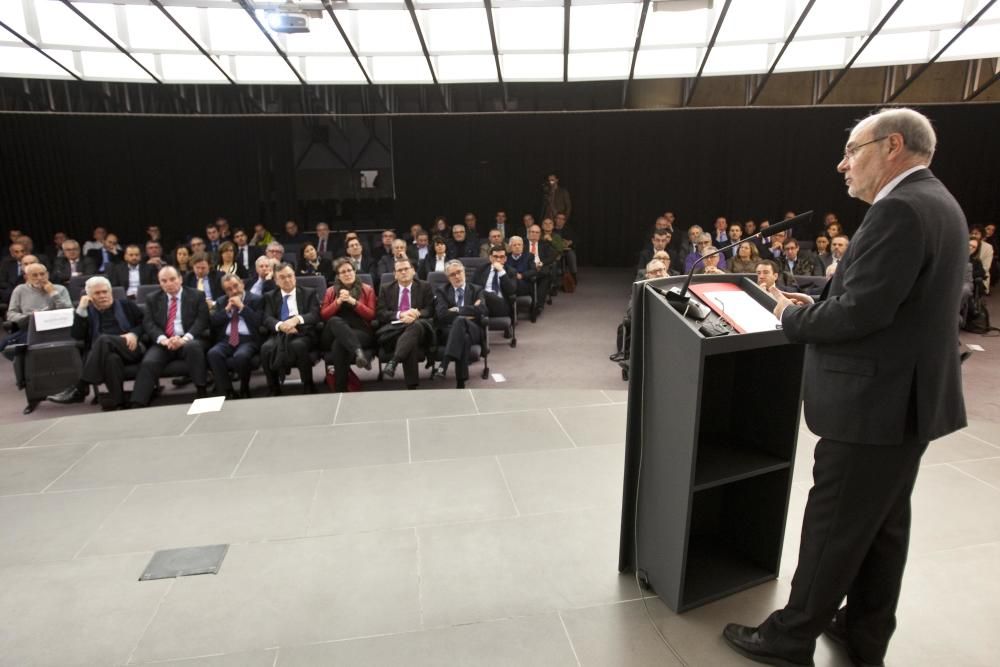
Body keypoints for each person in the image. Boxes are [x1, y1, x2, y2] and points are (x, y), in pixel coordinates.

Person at [723, 108, 968, 667]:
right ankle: (864, 631)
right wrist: (826, 305)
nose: (842, 164)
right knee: (882, 524)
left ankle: (790, 638)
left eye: (852, 150)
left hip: (874, 403)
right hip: (907, 401)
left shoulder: (900, 209)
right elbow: (891, 300)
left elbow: (863, 312)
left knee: (834, 524)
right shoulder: (938, 201)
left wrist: (791, 319)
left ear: (892, 146)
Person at [47, 276, 144, 410]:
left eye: (105, 292)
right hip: (103, 354)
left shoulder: (126, 305)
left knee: (103, 339)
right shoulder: (87, 311)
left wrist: (134, 333)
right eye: (97, 293)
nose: (102, 296)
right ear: (89, 296)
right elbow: (77, 336)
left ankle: (81, 387)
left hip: (130, 348)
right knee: (111, 359)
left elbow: (144, 324)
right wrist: (81, 309)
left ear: (111, 292)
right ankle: (119, 403)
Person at [130, 265, 211, 407]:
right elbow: (149, 324)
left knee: (193, 348)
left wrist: (184, 339)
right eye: (164, 281)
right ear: (160, 283)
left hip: (189, 338)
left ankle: (201, 391)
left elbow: (202, 321)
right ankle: (138, 402)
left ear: (180, 279)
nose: (169, 283)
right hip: (164, 341)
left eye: (172, 279)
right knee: (149, 361)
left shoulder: (196, 295)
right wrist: (164, 340)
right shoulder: (152, 298)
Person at [260, 263, 321, 396]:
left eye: (290, 276)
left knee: (298, 345)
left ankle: (308, 384)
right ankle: (273, 387)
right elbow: (267, 318)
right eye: (282, 277)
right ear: (276, 281)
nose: (287, 280)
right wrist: (281, 326)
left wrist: (297, 320)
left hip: (302, 332)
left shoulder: (308, 293)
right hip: (279, 333)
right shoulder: (270, 296)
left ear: (295, 277)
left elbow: (315, 315)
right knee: (266, 348)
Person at [375, 258, 434, 389]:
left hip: (419, 329)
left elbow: (430, 309)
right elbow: (380, 313)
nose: (403, 272)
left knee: (414, 326)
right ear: (395, 274)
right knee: (410, 339)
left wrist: (416, 313)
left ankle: (394, 362)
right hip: (394, 330)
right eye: (399, 270)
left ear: (413, 271)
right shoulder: (386, 288)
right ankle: (411, 386)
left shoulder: (424, 286)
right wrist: (400, 314)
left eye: (406, 269)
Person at [320, 258, 376, 392]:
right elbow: (324, 315)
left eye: (349, 270)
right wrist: (338, 301)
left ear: (355, 271)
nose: (347, 274)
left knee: (339, 344)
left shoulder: (367, 290)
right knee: (334, 320)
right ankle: (358, 351)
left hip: (360, 331)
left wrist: (353, 302)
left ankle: (341, 388)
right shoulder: (330, 291)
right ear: (338, 276)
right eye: (343, 272)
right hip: (332, 332)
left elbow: (371, 315)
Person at [207, 274, 264, 400]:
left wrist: (242, 307)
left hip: (248, 339)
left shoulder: (256, 299)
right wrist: (226, 310)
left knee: (241, 356)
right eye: (228, 289)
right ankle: (227, 391)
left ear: (242, 284)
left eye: (235, 286)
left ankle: (244, 388)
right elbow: (213, 322)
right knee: (213, 353)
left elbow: (258, 322)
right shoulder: (222, 301)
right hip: (227, 339)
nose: (233, 291)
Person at [431, 261, 487, 389]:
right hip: (448, 331)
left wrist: (456, 310)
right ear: (448, 277)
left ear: (464, 272)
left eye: (459, 272)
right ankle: (460, 382)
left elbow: (483, 310)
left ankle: (444, 365)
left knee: (460, 321)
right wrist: (471, 309)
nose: (457, 276)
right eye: (452, 274)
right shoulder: (442, 291)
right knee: (463, 336)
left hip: (473, 329)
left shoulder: (476, 289)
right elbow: (442, 315)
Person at [474, 244, 517, 319]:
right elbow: (472, 286)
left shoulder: (511, 271)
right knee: (481, 294)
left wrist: (501, 271)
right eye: (495, 257)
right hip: (483, 303)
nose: (498, 260)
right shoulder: (481, 269)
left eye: (501, 257)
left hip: (501, 306)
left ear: (505, 259)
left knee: (482, 292)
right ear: (490, 258)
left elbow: (511, 291)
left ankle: (478, 312)